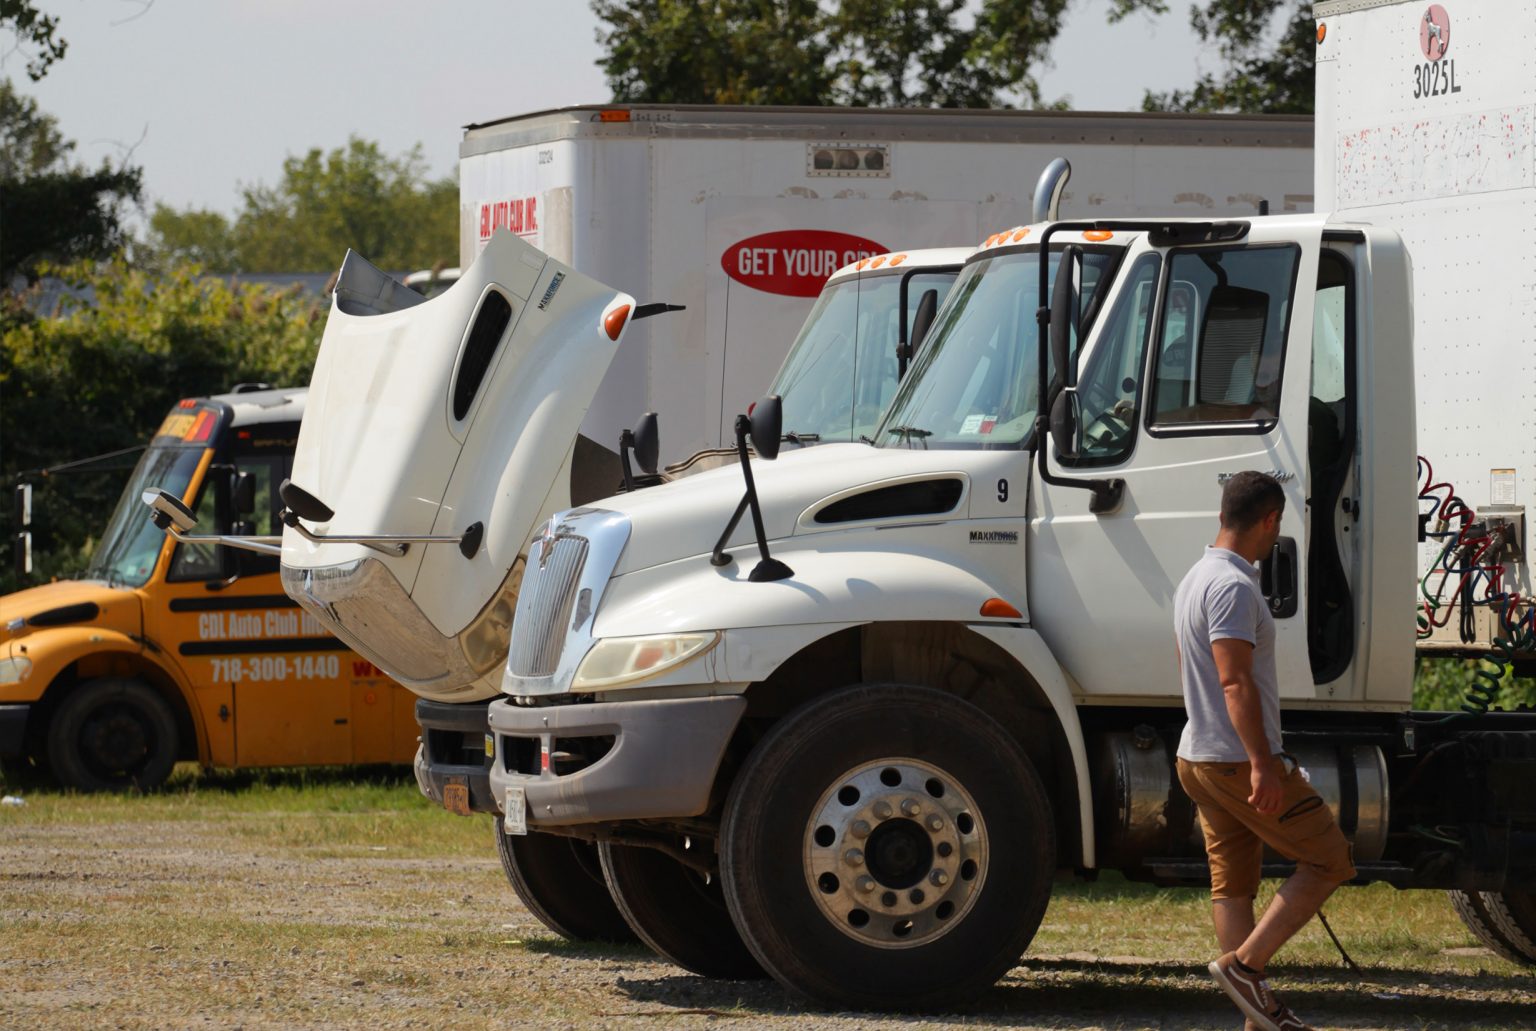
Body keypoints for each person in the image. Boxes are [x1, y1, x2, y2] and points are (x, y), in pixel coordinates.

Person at [1173, 471, 1356, 1031]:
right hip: (1232, 758)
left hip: (1197, 756)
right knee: (1329, 859)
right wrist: (1262, 763)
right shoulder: (1231, 586)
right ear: (1271, 520)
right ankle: (1246, 969)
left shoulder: (1195, 577)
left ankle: (1254, 1017)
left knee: (1233, 885)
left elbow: (1190, 669)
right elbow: (1234, 682)